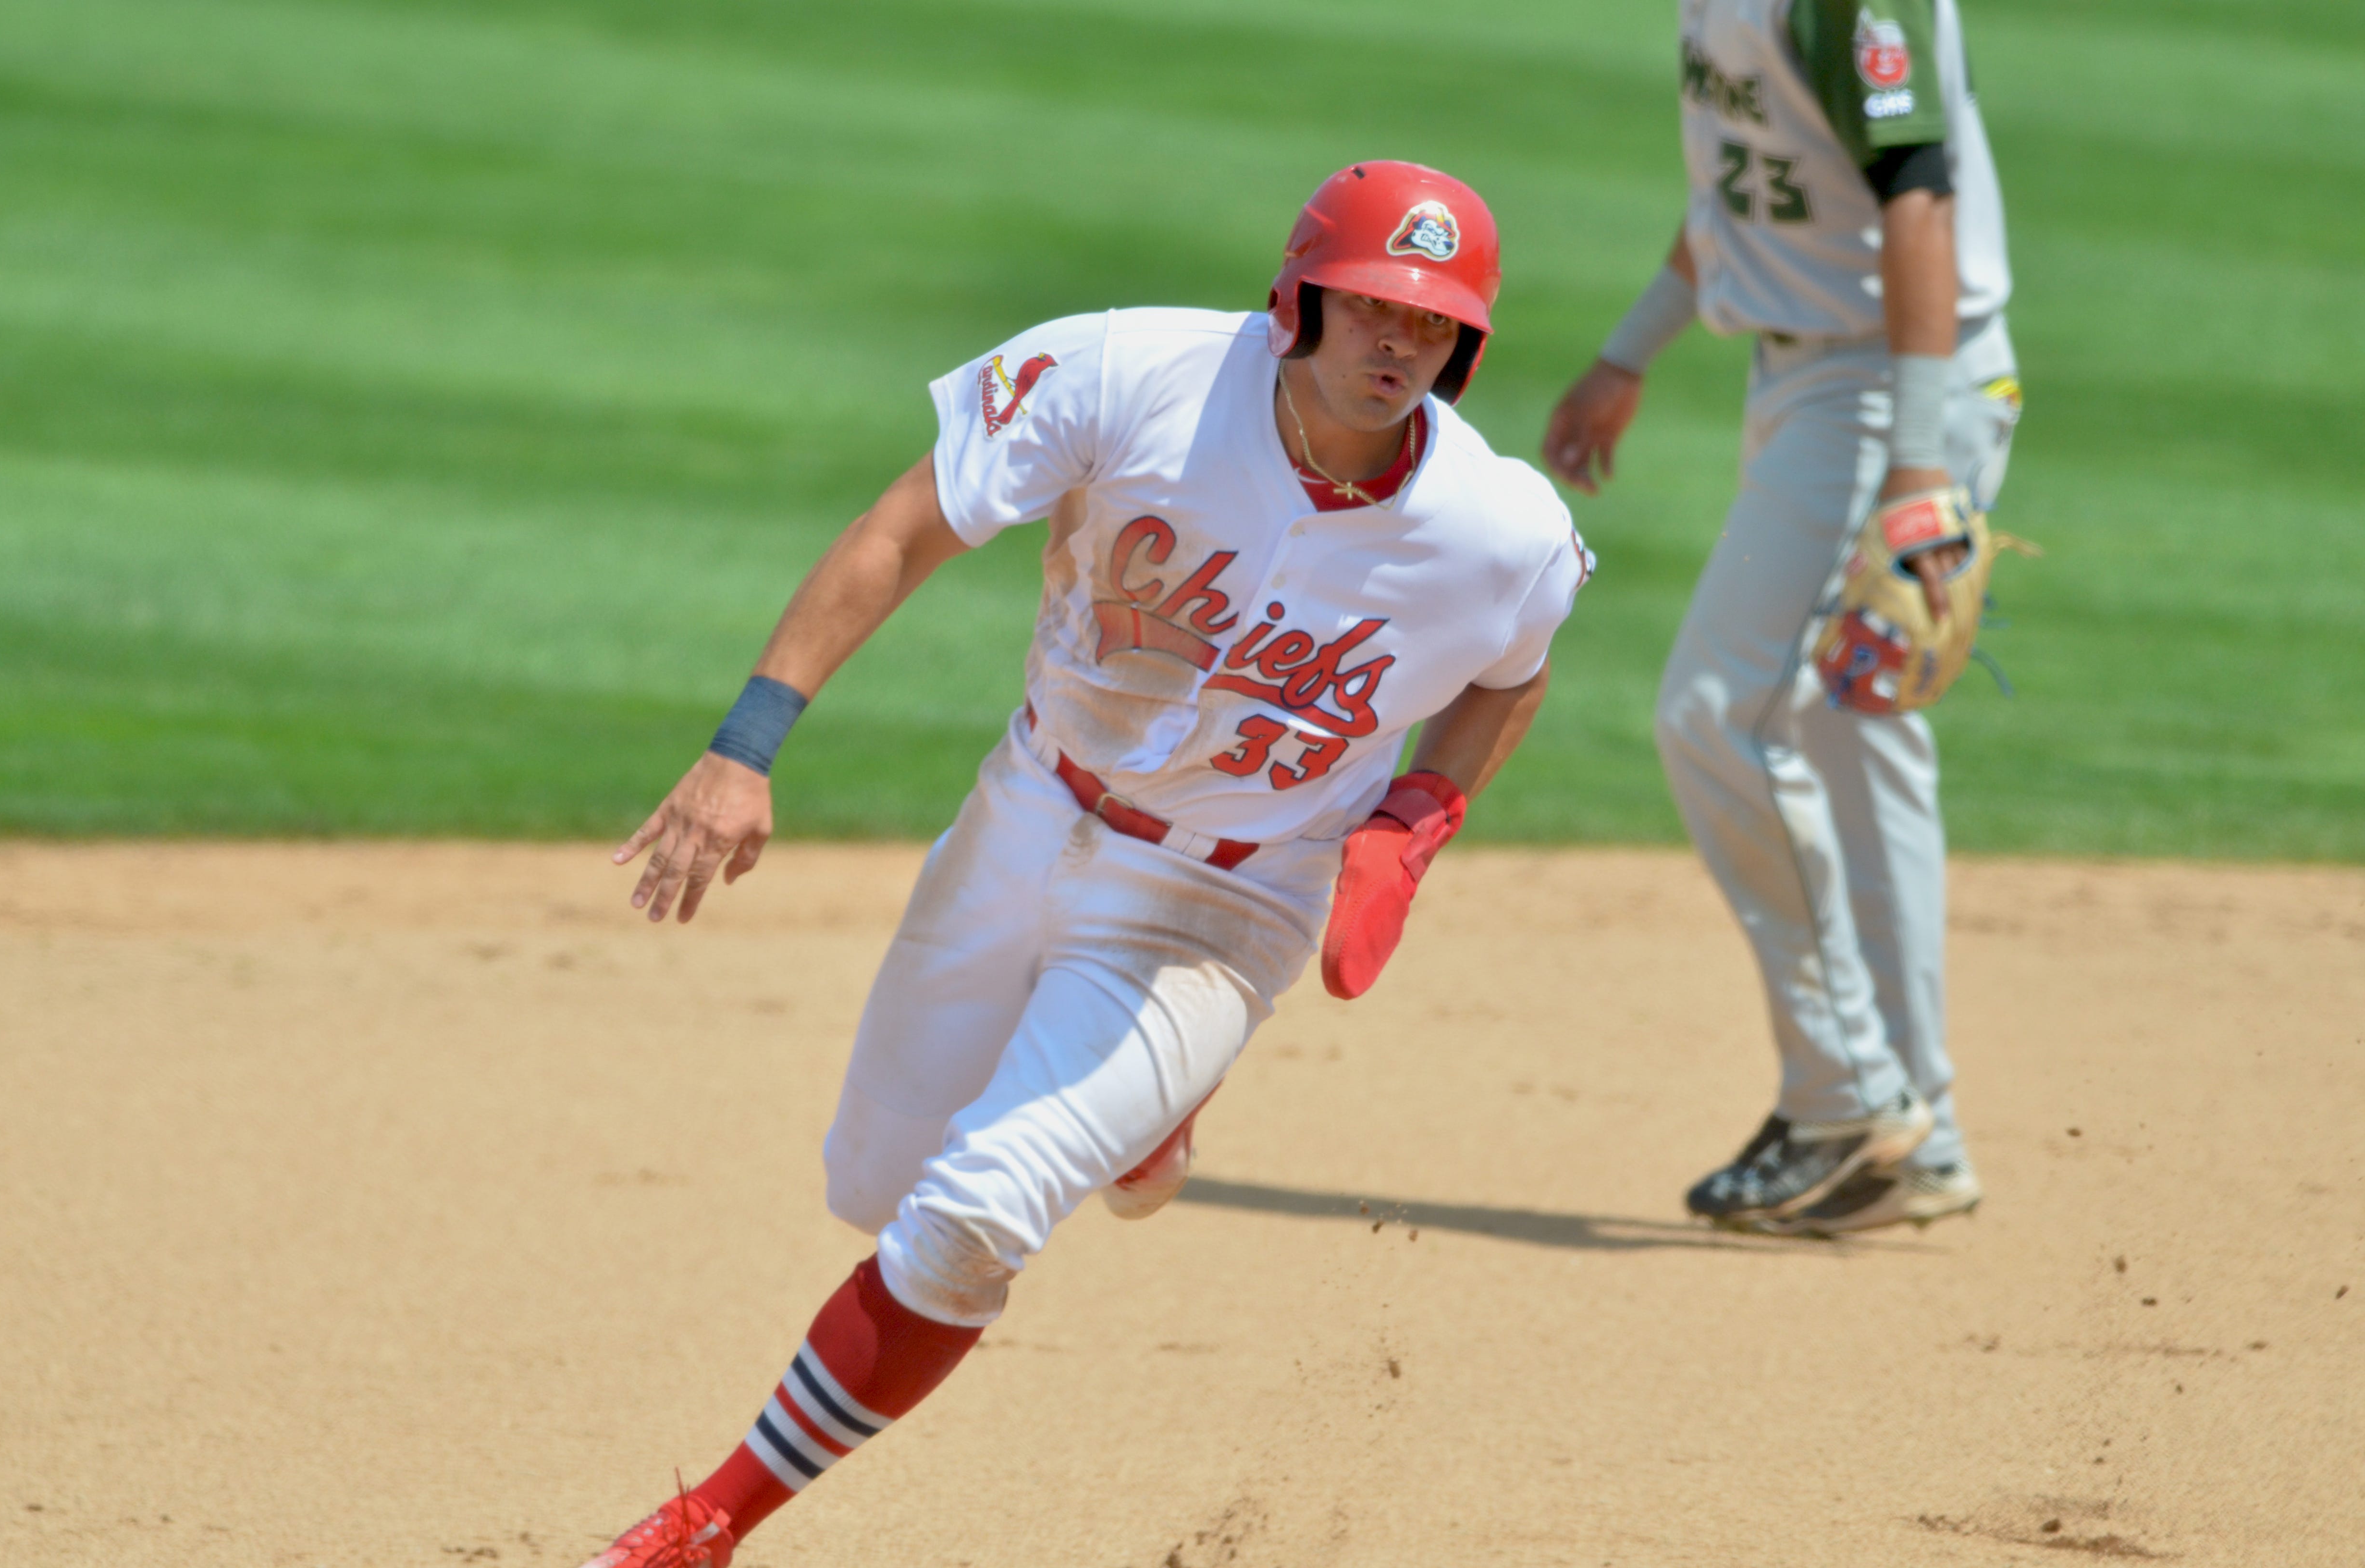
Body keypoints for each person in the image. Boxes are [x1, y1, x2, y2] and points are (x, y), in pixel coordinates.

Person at [579, 160, 1593, 1567]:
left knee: (968, 1221)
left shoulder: (1502, 528)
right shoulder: (1128, 373)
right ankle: (1147, 1121)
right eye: (1368, 309)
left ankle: (710, 1524)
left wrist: (1416, 816)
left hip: (1226, 902)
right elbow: (900, 530)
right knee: (876, 1189)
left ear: (1466, 346)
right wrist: (747, 745)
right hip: (1029, 812)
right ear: (1297, 295)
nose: (1396, 345)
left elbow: (1513, 672)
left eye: (1429, 325)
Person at [1544, 0, 2020, 1236]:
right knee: (1859, 747)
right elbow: (1754, 191)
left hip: (1885, 386)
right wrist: (1627, 352)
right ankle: (1920, 1134)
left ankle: (1845, 1092)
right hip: (1814, 374)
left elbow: (1918, 193)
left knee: (1719, 716)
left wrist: (1917, 468)